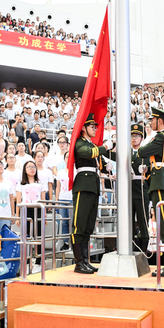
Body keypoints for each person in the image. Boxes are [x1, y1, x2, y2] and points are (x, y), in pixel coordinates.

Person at [70, 113, 115, 274]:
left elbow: (98, 161)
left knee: (88, 226)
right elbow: (89, 153)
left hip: (93, 186)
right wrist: (106, 147)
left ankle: (85, 261)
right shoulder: (80, 143)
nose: (95, 128)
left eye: (96, 126)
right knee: (79, 225)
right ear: (83, 128)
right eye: (92, 126)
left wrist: (106, 166)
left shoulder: (90, 144)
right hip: (83, 185)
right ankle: (78, 262)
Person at [138, 108, 164, 277]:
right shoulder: (163, 137)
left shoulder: (161, 136)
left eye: (152, 121)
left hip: (162, 182)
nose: (150, 124)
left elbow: (141, 151)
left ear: (159, 121)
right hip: (160, 180)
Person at [131, 123, 150, 254]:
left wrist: (146, 169)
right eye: (132, 136)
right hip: (128, 190)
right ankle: (130, 248)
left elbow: (149, 167)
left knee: (143, 221)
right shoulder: (126, 152)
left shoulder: (145, 152)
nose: (134, 138)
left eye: (137, 136)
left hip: (141, 188)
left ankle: (143, 251)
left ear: (141, 138)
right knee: (129, 220)